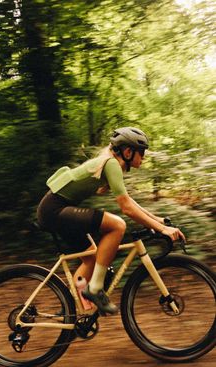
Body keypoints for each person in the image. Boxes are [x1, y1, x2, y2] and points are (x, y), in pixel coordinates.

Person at [37, 126, 185, 315]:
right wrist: (161, 230)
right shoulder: (111, 163)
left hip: (54, 209)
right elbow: (126, 208)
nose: (144, 157)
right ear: (128, 151)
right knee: (117, 225)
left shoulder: (110, 163)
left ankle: (78, 314)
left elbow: (129, 201)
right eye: (142, 152)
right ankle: (95, 289)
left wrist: (157, 220)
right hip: (54, 210)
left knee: (91, 259)